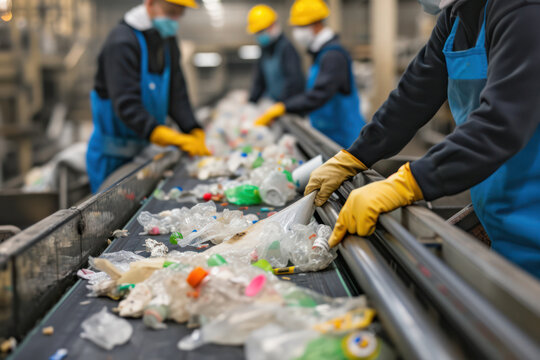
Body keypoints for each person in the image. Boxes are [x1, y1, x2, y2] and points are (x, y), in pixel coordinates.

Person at [305, 0, 540, 278]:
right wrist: (354, 157)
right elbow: (413, 96)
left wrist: (410, 183)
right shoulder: (455, 17)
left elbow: (500, 123)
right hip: (501, 207)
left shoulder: (525, 10)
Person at [87, 0, 210, 193]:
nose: (175, 20)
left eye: (180, 14)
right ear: (150, 3)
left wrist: (192, 128)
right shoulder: (121, 41)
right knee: (109, 215)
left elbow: (176, 94)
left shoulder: (167, 40)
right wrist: (158, 132)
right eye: (170, 12)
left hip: (145, 152)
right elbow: (126, 103)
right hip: (113, 157)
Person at [254, 0, 366, 149]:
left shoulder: (333, 55)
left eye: (300, 26)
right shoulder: (321, 54)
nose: (297, 32)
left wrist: (285, 106)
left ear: (316, 24)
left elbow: (319, 94)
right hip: (329, 134)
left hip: (344, 138)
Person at [246, 4, 305, 104]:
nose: (259, 35)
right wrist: (251, 101)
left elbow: (294, 82)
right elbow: (259, 81)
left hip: (290, 106)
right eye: (257, 33)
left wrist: (280, 105)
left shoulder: (286, 48)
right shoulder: (264, 50)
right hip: (274, 105)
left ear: (272, 25)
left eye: (261, 31)